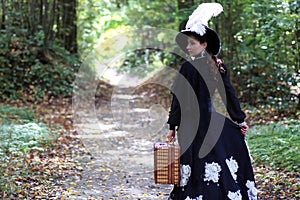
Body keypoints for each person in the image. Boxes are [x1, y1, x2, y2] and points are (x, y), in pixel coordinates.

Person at [166, 3, 257, 200]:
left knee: (198, 163)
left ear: (204, 44)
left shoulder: (187, 69)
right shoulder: (217, 66)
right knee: (215, 161)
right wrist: (239, 120)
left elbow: (178, 102)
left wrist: (173, 126)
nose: (188, 47)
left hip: (190, 126)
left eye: (192, 43)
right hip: (211, 122)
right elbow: (229, 96)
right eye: (187, 43)